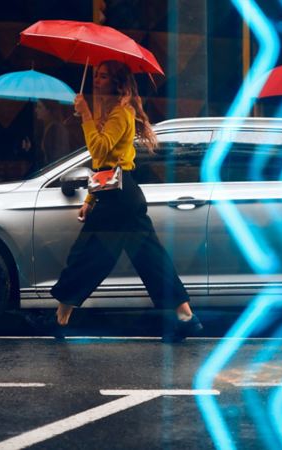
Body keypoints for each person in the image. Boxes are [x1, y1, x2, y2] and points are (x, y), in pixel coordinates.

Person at [26, 60, 202, 342]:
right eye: (96, 74)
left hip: (121, 197)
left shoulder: (121, 113)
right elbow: (103, 166)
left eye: (104, 76)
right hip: (117, 193)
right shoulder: (113, 112)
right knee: (147, 258)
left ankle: (60, 319)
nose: (97, 80)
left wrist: (84, 115)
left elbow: (98, 151)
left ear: (117, 82)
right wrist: (91, 200)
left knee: (87, 255)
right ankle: (186, 317)